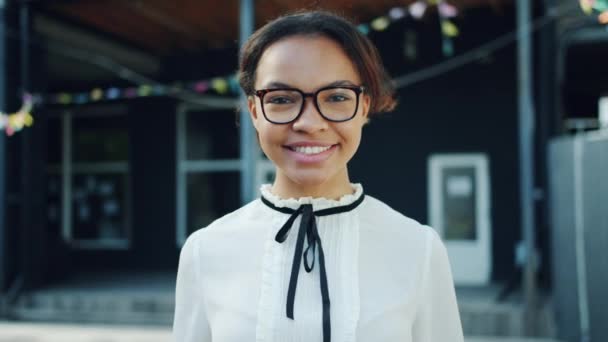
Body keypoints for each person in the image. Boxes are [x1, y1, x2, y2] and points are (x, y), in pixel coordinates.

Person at [173, 10, 463, 342]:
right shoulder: (205, 251)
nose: (309, 123)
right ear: (255, 111)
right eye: (282, 99)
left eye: (336, 97)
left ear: (363, 107)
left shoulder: (418, 248)